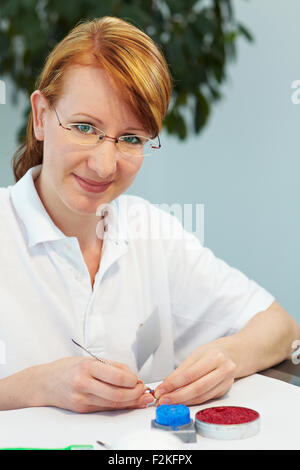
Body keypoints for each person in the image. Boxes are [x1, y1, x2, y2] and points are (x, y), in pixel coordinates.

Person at [0, 16, 299, 413]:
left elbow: (282, 327)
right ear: (40, 117)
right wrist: (38, 386)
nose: (105, 165)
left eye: (130, 139)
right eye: (85, 127)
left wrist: (227, 356)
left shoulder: (151, 231)